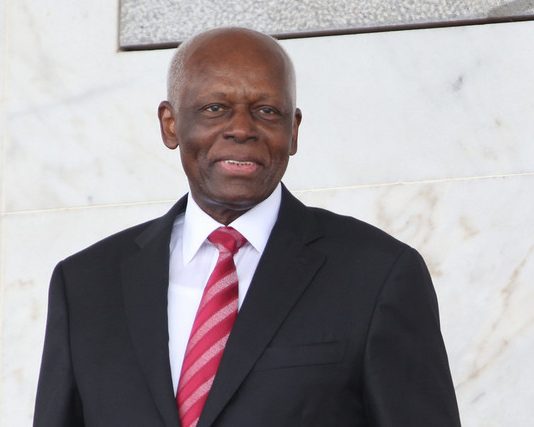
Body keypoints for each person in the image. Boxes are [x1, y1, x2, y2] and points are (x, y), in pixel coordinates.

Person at [34, 27, 461, 427]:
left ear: (293, 131)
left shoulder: (377, 274)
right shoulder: (86, 285)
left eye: (266, 111)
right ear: (170, 123)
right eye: (215, 108)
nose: (241, 129)